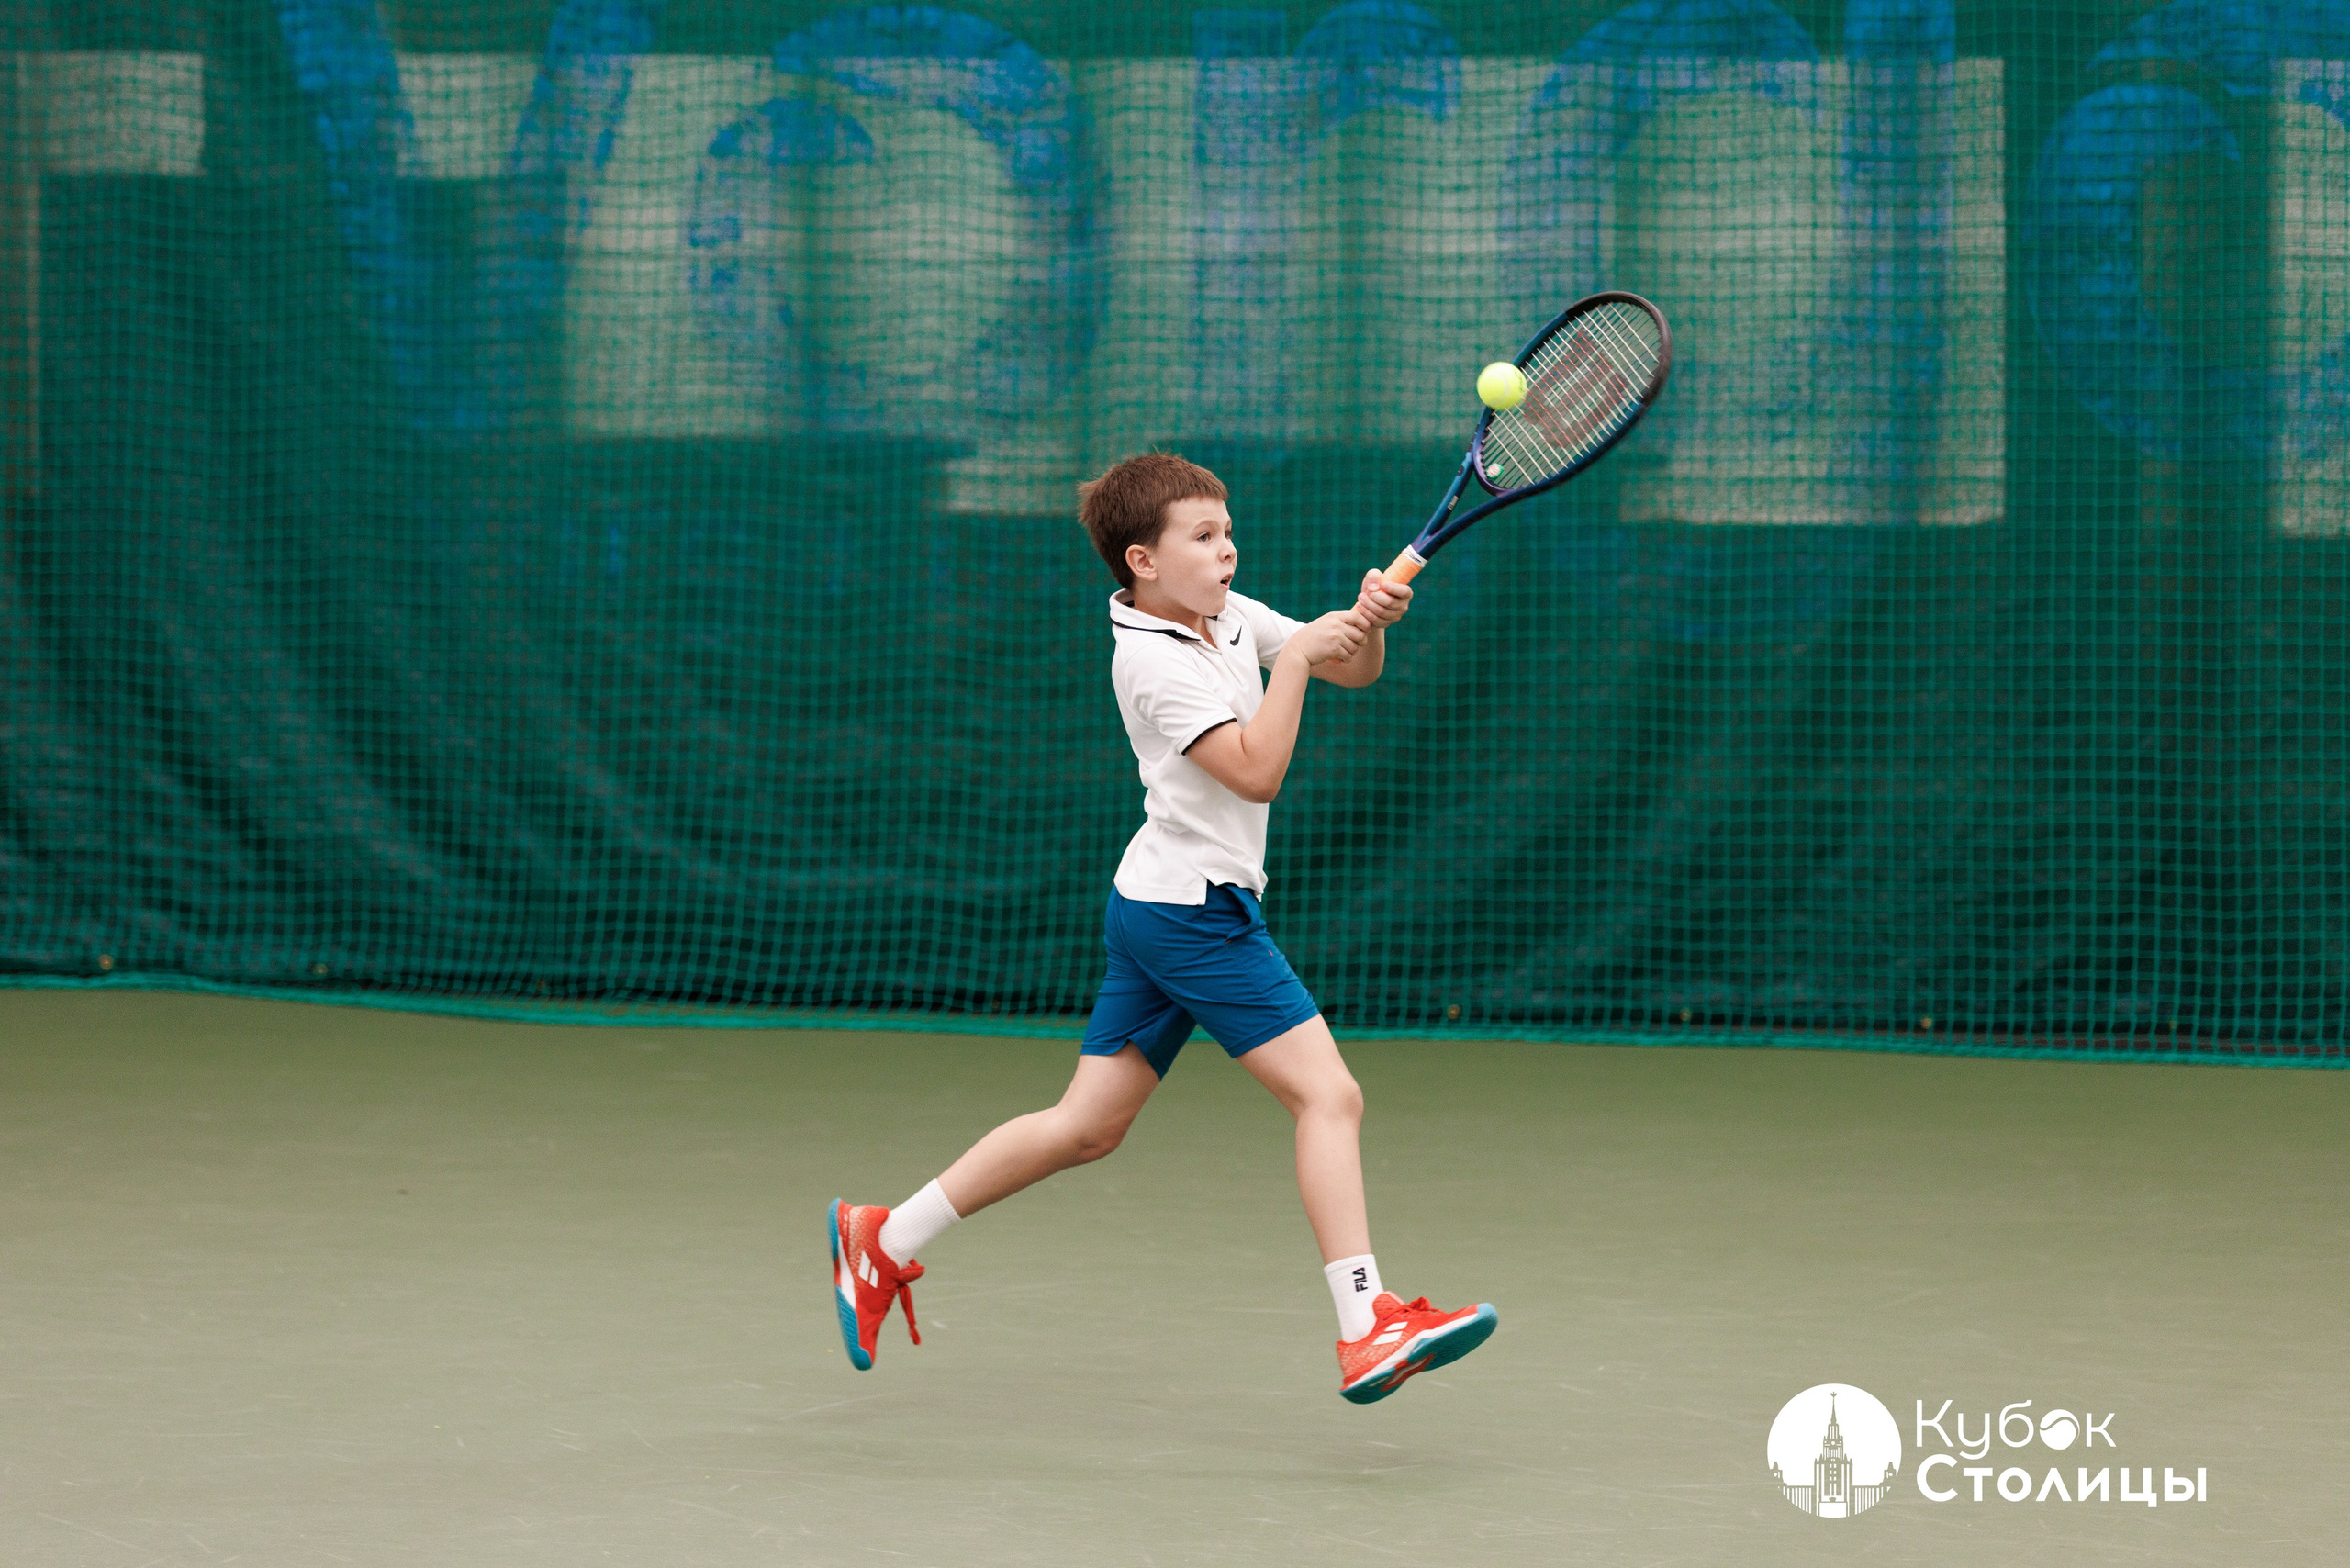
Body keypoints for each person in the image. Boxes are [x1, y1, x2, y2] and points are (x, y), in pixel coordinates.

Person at [829, 452, 1496, 1404]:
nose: (1227, 549)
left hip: (1156, 903)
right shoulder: (1148, 659)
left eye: (1226, 531)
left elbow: (1350, 669)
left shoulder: (1220, 614)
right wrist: (1304, 654)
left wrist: (1366, 623)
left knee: (1085, 1126)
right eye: (1203, 536)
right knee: (1329, 1098)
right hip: (1194, 917)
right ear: (1143, 560)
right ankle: (1366, 1325)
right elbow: (1258, 767)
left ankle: (880, 1238)